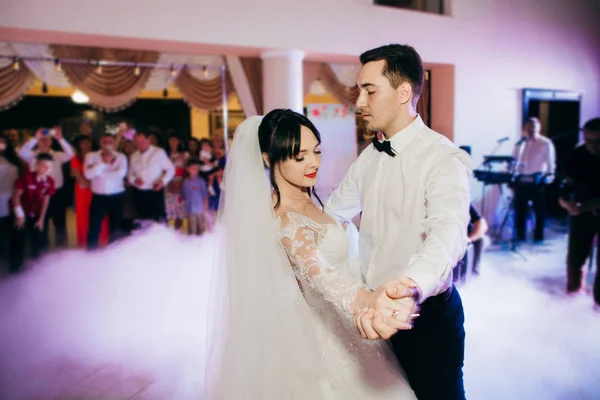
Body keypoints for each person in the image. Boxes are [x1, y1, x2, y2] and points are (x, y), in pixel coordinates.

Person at [205, 109, 418, 399]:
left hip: (349, 327)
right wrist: (367, 301)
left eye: (316, 151)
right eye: (299, 155)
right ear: (269, 158)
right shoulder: (284, 220)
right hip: (321, 337)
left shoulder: (318, 200)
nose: (313, 162)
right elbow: (319, 273)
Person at [326, 44, 471, 400]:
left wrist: (410, 287)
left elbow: (448, 233)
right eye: (359, 91)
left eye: (369, 90)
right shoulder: (368, 157)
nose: (359, 102)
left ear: (404, 92)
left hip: (426, 320)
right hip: (370, 316)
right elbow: (333, 214)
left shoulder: (442, 158)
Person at [558, 117, 600, 307]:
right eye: (588, 140)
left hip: (589, 209)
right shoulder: (577, 155)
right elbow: (567, 183)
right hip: (581, 216)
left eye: (597, 142)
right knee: (575, 259)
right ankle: (572, 301)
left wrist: (583, 207)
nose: (592, 146)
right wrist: (565, 201)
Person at [18, 127, 74, 248]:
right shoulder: (31, 156)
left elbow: (71, 154)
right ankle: (41, 253)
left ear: (51, 141)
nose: (44, 141)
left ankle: (62, 251)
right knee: (40, 223)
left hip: (56, 194)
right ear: (37, 142)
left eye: (47, 139)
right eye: (41, 140)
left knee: (60, 223)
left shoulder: (58, 155)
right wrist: (35, 138)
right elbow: (21, 153)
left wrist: (61, 139)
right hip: (38, 194)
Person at [512, 117, 556, 243]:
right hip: (521, 181)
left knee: (539, 211)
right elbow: (514, 161)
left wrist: (548, 177)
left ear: (539, 128)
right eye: (528, 127)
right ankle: (520, 235)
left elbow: (550, 164)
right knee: (520, 210)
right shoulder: (520, 144)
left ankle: (538, 236)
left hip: (537, 181)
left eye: (533, 127)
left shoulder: (545, 143)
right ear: (525, 128)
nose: (531, 130)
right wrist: (513, 176)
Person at [9, 153, 55, 273]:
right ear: (36, 165)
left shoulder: (50, 181)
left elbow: (46, 200)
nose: (46, 169)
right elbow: (16, 197)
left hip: (36, 214)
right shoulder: (26, 178)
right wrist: (19, 215)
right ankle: (15, 268)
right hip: (21, 213)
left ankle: (37, 269)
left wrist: (41, 219)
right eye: (44, 165)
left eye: (49, 166)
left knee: (38, 241)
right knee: (18, 240)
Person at [84, 133, 128, 249]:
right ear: (100, 143)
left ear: (114, 143)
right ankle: (91, 256)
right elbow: (88, 175)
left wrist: (98, 172)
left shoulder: (121, 157)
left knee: (115, 228)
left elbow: (121, 175)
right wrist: (103, 163)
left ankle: (114, 255)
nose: (108, 145)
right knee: (94, 227)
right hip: (99, 197)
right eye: (105, 142)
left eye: (110, 142)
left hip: (117, 196)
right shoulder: (91, 156)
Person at [70, 135, 109, 248]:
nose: (86, 145)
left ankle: (102, 239)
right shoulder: (76, 159)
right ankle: (85, 241)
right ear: (79, 145)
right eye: (83, 143)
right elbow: (79, 177)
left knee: (100, 215)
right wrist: (91, 185)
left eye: (88, 142)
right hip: (83, 191)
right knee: (84, 215)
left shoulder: (97, 156)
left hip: (98, 190)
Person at [128, 131, 175, 223]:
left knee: (158, 221)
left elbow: (171, 169)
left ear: (148, 140)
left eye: (143, 141)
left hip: (155, 190)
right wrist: (134, 180)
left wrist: (163, 181)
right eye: (137, 141)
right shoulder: (133, 156)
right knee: (143, 221)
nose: (140, 144)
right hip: (139, 193)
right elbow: (130, 174)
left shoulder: (159, 152)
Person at [181, 159, 209, 235]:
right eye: (193, 168)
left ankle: (202, 245)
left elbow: (205, 195)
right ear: (188, 169)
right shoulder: (185, 182)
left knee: (201, 230)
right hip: (190, 209)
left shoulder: (201, 181)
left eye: (197, 168)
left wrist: (205, 208)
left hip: (200, 209)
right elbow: (183, 195)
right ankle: (192, 245)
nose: (195, 170)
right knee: (191, 230)